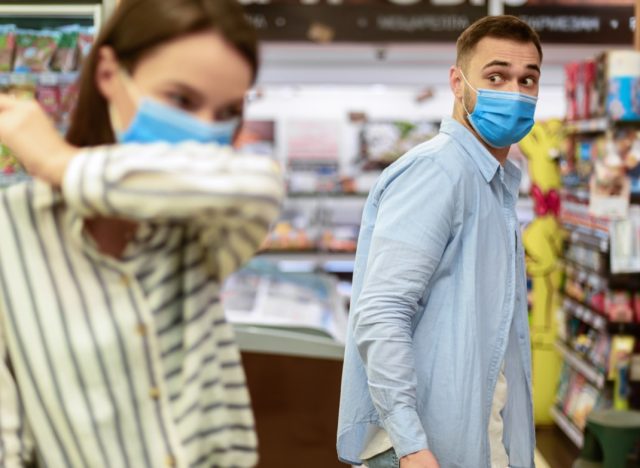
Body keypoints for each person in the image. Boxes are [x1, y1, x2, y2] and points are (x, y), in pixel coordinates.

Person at [0, 0, 283, 466]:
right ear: (109, 74)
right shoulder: (14, 231)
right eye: (181, 101)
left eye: (228, 111)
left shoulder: (205, 222)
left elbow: (258, 184)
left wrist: (55, 161)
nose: (203, 132)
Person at [337, 15, 542, 468]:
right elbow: (381, 312)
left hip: (474, 438)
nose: (515, 92)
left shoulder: (493, 181)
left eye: (528, 80)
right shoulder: (439, 171)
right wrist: (411, 445)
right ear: (458, 82)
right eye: (496, 76)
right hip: (426, 451)